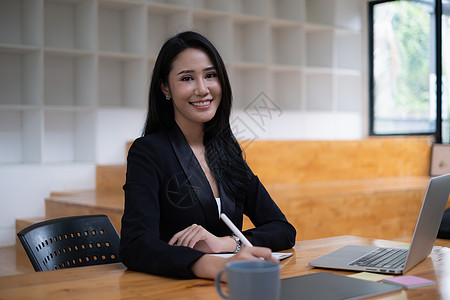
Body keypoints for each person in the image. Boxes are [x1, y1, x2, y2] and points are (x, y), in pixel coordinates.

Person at [119, 31, 296, 279]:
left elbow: (283, 230)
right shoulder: (149, 152)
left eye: (210, 75)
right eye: (187, 78)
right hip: (172, 290)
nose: (202, 89)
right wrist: (211, 265)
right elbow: (135, 245)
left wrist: (224, 245)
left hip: (231, 287)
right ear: (165, 87)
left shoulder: (227, 151)